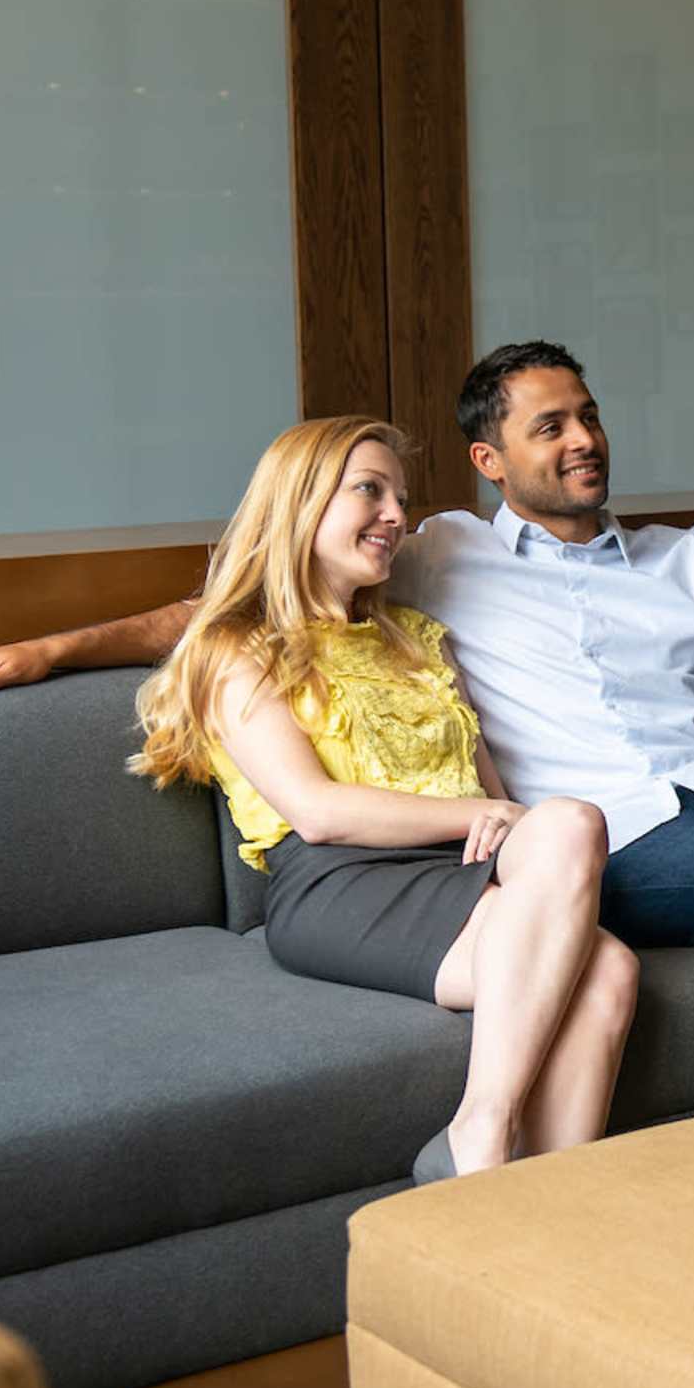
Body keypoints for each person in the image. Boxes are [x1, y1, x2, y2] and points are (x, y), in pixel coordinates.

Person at [0, 341, 694, 1084]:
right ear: (492, 460)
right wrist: (51, 646)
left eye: (587, 416)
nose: (581, 439)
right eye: (549, 428)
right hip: (617, 832)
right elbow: (231, 604)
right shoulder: (436, 552)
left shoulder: (689, 560)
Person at [123, 414, 634, 1180]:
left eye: (401, 496)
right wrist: (490, 818)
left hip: (456, 869)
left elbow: (492, 795)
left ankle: (552, 1208)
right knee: (569, 842)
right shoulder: (238, 647)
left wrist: (512, 828)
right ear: (300, 504)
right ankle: (482, 1133)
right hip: (338, 885)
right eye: (370, 491)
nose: (398, 516)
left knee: (611, 961)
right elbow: (317, 812)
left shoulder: (419, 640)